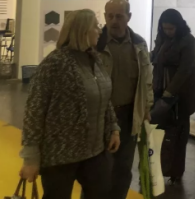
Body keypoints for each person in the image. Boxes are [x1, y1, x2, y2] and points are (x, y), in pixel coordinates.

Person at [20, 10, 120, 199]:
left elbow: (104, 98)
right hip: (61, 155)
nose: (100, 30)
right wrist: (30, 158)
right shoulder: (54, 63)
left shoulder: (95, 59)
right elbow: (34, 111)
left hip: (95, 151)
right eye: (95, 26)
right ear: (82, 30)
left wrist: (113, 128)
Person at [98, 0, 153, 199]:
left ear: (128, 17)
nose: (114, 21)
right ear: (105, 16)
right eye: (110, 16)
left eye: (119, 16)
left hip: (129, 116)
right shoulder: (95, 43)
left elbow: (147, 80)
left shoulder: (139, 44)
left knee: (123, 168)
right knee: (98, 170)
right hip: (101, 117)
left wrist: (146, 108)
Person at [151, 9, 195, 183]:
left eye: (171, 29)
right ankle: (160, 167)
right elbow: (155, 56)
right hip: (162, 88)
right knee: (161, 130)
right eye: (165, 28)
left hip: (183, 92)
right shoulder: (162, 38)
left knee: (179, 132)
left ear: (179, 26)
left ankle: (176, 171)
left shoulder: (189, 41)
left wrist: (169, 93)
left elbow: (184, 70)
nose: (168, 31)